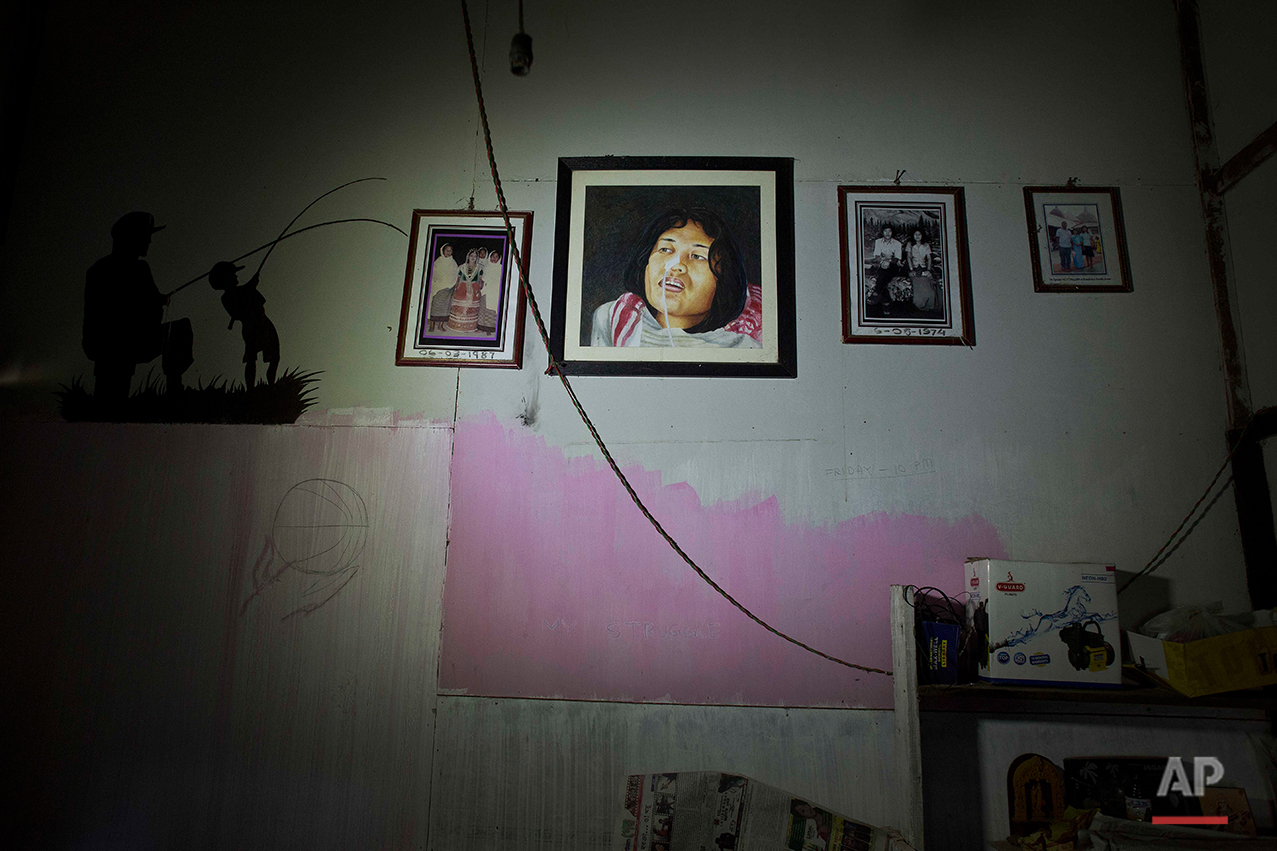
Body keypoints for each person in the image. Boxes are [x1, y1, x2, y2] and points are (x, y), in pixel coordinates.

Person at [590, 207, 761, 348]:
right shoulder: (611, 320)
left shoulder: (745, 348)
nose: (675, 265)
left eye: (697, 256)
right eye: (665, 249)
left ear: (724, 279)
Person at [83, 211, 193, 400]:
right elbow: (147, 310)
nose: (150, 241)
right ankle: (174, 391)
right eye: (146, 236)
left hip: (105, 349)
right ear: (134, 238)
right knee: (180, 330)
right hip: (125, 345)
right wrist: (159, 302)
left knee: (109, 402)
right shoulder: (139, 269)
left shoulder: (97, 269)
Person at [209, 261, 280, 386]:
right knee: (251, 358)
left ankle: (271, 385)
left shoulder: (241, 290)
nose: (236, 276)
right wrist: (252, 283)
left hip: (264, 323)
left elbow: (248, 288)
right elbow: (239, 307)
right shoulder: (227, 297)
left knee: (274, 356)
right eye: (233, 274)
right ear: (226, 278)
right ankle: (250, 390)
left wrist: (253, 282)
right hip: (251, 327)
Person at [445, 249, 486, 333]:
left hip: (474, 287)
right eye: (471, 256)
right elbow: (458, 278)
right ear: (468, 256)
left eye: (475, 256)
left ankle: (470, 327)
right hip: (462, 287)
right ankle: (457, 325)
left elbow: (480, 279)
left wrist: (479, 288)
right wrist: (456, 287)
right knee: (461, 305)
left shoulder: (479, 268)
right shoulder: (462, 267)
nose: (473, 258)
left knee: (471, 306)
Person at [868, 224, 903, 312]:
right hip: (881, 264)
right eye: (885, 231)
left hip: (893, 266)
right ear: (882, 232)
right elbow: (876, 255)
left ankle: (876, 293)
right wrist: (883, 261)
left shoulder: (897, 243)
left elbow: (897, 258)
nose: (887, 233)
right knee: (883, 274)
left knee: (884, 273)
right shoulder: (878, 242)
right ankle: (886, 301)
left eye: (889, 231)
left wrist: (888, 261)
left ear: (892, 233)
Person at [426, 243, 458, 332]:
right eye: (446, 250)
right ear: (442, 250)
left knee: (445, 308)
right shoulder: (438, 261)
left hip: (448, 288)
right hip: (438, 288)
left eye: (450, 250)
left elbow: (455, 274)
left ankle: (440, 325)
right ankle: (432, 325)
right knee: (435, 306)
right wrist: (439, 281)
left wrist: (451, 284)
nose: (448, 252)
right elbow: (434, 273)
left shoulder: (453, 262)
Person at [905, 229, 935, 311]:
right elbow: (909, 257)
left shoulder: (926, 245)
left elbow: (929, 258)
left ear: (922, 236)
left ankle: (929, 305)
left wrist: (928, 270)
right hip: (913, 267)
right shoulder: (910, 244)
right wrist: (911, 269)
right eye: (915, 234)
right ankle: (918, 305)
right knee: (917, 281)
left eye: (919, 234)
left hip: (924, 267)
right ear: (913, 236)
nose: (917, 236)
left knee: (928, 282)